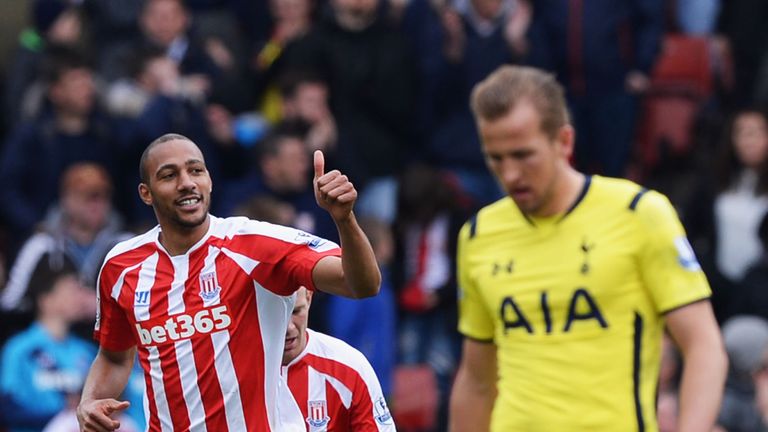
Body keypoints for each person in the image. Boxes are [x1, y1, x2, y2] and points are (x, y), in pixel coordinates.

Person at [448, 65, 727, 432]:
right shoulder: (479, 234)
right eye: (496, 158)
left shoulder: (638, 213)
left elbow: (704, 346)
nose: (510, 174)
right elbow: (477, 380)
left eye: (523, 155)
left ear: (564, 142)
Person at [76, 133, 381, 431]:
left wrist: (344, 219)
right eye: (169, 175)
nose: (187, 183)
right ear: (146, 193)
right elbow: (114, 358)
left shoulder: (256, 245)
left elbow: (361, 284)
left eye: (196, 170)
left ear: (209, 179)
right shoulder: (121, 266)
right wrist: (89, 401)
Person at [282, 286, 395, 431]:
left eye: (296, 311)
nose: (289, 327)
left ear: (309, 297)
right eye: (278, 314)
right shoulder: (244, 369)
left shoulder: (350, 367)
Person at [0, 267, 97, 432]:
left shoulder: (87, 351)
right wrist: (59, 415)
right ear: (46, 300)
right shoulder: (18, 348)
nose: (80, 298)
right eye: (71, 291)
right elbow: (7, 406)